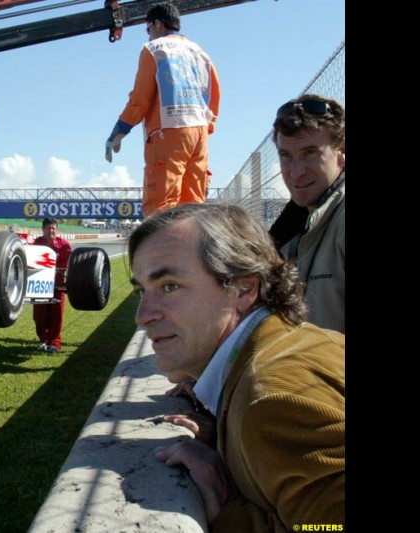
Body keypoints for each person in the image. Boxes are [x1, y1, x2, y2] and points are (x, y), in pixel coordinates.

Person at [128, 203, 344, 531]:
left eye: (169, 286)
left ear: (243, 288)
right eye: (142, 291)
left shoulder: (270, 403)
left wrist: (227, 511)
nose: (143, 316)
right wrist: (227, 439)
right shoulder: (287, 344)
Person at [105, 2, 220, 217]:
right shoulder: (201, 53)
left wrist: (120, 129)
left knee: (162, 207)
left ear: (157, 24)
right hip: (200, 134)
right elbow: (213, 97)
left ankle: (164, 250)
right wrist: (205, 129)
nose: (148, 35)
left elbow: (140, 98)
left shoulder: (154, 50)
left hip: (168, 132)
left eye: (148, 29)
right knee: (193, 206)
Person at [268, 94, 345, 334]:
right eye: (286, 156)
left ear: (341, 153)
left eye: (310, 152)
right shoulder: (290, 228)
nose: (296, 172)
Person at [33, 218, 72, 353]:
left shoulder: (64, 245)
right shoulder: (36, 244)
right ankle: (43, 340)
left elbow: (70, 265)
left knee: (57, 316)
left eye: (54, 228)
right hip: (40, 286)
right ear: (43, 229)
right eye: (49, 228)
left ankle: (54, 343)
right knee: (39, 315)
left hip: (58, 286)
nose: (51, 231)